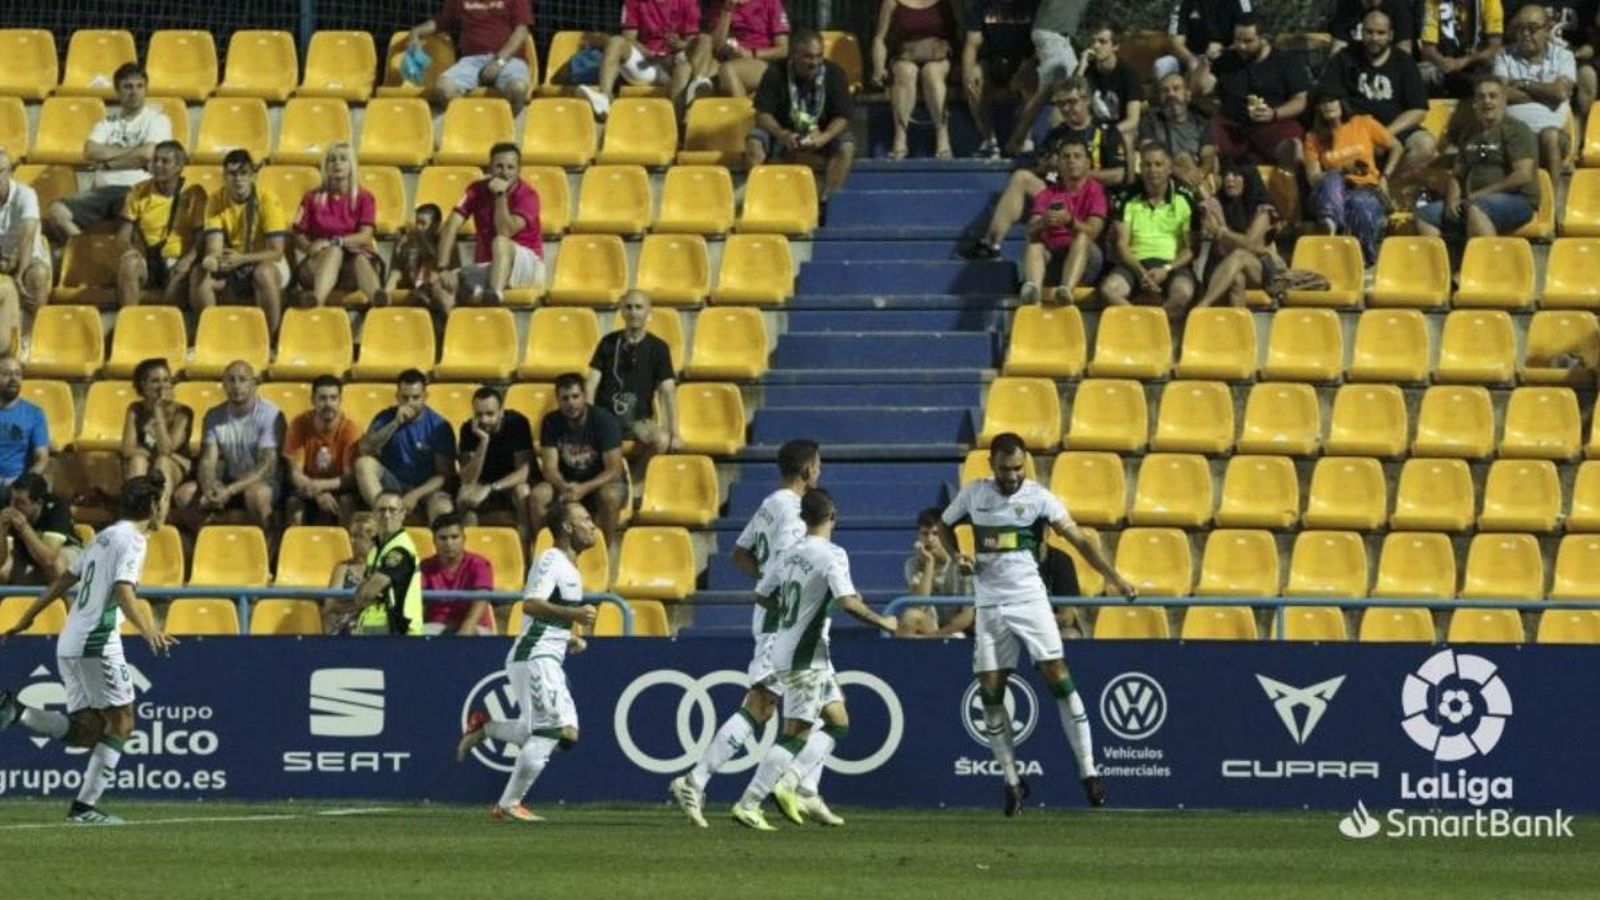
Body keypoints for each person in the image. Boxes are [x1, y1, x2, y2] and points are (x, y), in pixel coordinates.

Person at [940, 432, 1138, 816]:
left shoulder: (1040, 498)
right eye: (1004, 468)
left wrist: (1115, 578)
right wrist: (957, 556)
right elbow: (945, 525)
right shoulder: (973, 494)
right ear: (991, 465)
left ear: (1025, 464)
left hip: (1030, 600)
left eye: (1018, 468)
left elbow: (1080, 540)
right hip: (990, 604)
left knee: (1058, 677)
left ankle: (1089, 771)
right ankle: (1012, 781)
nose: (1012, 475)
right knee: (991, 694)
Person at [0, 473, 176, 825]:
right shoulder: (134, 541)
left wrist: (27, 617)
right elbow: (125, 590)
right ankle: (85, 807)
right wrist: (148, 628)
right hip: (97, 640)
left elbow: (63, 579)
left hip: (71, 639)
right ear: (154, 506)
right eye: (162, 504)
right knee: (123, 721)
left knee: (88, 730)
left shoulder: (103, 537)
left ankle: (16, 711)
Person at [670, 438, 819, 828]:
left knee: (778, 706)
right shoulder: (796, 513)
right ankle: (695, 780)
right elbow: (788, 563)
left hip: (772, 615)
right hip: (781, 619)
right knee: (762, 704)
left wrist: (765, 584)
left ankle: (797, 789)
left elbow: (740, 553)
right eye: (817, 465)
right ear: (807, 470)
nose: (819, 471)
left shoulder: (771, 503)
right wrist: (782, 593)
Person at [730, 488, 897, 830]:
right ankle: (750, 801)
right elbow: (849, 602)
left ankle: (791, 782)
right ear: (833, 516)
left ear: (803, 519)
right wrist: (884, 621)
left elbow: (762, 596)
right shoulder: (833, 554)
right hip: (805, 657)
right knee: (796, 733)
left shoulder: (789, 554)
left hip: (790, 649)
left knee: (839, 720)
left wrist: (796, 616)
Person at [455, 499, 599, 822]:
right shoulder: (550, 560)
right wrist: (574, 615)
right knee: (549, 731)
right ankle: (509, 802)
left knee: (568, 734)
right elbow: (531, 604)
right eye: (586, 519)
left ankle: (487, 728)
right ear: (567, 527)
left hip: (548, 655)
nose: (593, 526)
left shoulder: (570, 567)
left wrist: (567, 637)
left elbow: (545, 618)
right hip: (534, 658)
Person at [969, 77, 1126, 259]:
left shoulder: (1106, 132)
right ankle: (991, 243)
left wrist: (1077, 173)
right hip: (1058, 194)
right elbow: (1039, 166)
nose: (1066, 109)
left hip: (1091, 199)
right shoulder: (1056, 134)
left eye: (1072, 102)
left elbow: (1118, 175)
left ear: (1087, 100)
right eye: (1061, 104)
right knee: (1021, 177)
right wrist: (1045, 165)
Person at [44, 63, 172, 242]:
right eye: (127, 87)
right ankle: (87, 252)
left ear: (145, 89)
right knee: (57, 212)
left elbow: (148, 153)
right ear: (117, 91)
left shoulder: (157, 120)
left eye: (139, 86)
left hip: (138, 190)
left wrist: (107, 162)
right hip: (102, 192)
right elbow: (89, 152)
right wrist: (133, 157)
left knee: (138, 219)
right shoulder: (106, 123)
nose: (134, 92)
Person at [748, 31, 857, 217]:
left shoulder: (835, 73)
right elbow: (762, 113)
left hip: (820, 133)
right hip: (783, 132)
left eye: (818, 56)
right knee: (754, 140)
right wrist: (782, 134)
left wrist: (825, 136)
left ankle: (824, 201)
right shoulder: (776, 71)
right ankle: (760, 198)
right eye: (807, 57)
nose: (814, 62)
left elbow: (843, 116)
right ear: (794, 55)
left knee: (847, 145)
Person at [1417, 74, 1540, 237]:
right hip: (1473, 200)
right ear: (1474, 103)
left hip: (1517, 201)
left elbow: (1522, 175)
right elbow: (1458, 175)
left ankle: (1486, 262)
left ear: (1504, 101)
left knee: (1478, 208)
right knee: (1425, 215)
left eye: (1493, 96)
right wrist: (1453, 198)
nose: (1487, 101)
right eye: (1481, 97)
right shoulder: (1469, 132)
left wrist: (1481, 194)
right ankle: (1442, 261)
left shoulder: (1517, 130)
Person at [430, 143, 544, 315]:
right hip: (491, 266)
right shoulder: (476, 190)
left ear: (519, 170)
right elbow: (452, 224)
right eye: (499, 166)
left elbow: (504, 231)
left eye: (510, 167)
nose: (504, 172)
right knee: (440, 285)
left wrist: (500, 196)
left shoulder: (528, 195)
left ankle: (493, 300)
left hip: (527, 266)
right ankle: (457, 329)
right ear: (490, 167)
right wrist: (443, 268)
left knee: (500, 242)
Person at [1319, 11, 1437, 175]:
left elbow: (1418, 109)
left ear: (1390, 35)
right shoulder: (1343, 59)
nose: (1374, 38)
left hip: (1394, 129)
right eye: (1369, 32)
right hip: (1355, 131)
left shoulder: (1404, 61)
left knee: (1426, 145)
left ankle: (1389, 186)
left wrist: (1383, 135)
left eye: (1380, 33)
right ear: (1362, 32)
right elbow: (1331, 98)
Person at [172, 361, 282, 536]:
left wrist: (230, 490)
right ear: (223, 384)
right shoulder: (214, 416)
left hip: (263, 483)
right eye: (231, 380)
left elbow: (266, 466)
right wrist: (209, 487)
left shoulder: (270, 415)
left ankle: (265, 549)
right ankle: (210, 545)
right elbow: (207, 460)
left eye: (242, 380)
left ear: (253, 384)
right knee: (185, 495)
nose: (236, 386)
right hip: (228, 480)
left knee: (257, 495)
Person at [190, 149, 290, 335]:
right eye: (232, 174)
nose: (238, 179)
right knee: (199, 274)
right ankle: (209, 336)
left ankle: (269, 339)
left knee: (264, 273)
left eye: (243, 173)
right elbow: (214, 246)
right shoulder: (215, 200)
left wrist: (243, 259)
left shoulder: (267, 198)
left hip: (265, 260)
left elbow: (277, 252)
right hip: (235, 259)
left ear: (252, 176)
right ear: (224, 177)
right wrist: (211, 259)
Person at [1099, 143, 1200, 316]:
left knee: (1183, 293)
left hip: (1171, 264)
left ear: (1169, 169)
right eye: (1147, 165)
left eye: (1158, 164)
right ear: (1140, 168)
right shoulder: (1127, 198)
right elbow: (1122, 245)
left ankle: (1154, 326)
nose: (1152, 170)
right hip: (1135, 264)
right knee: (1109, 290)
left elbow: (1191, 249)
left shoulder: (1185, 199)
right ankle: (1143, 324)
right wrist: (1141, 273)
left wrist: (1166, 269)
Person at [1305, 91, 1403, 266]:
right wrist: (1343, 170)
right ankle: (1330, 228)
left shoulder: (1363, 123)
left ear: (1341, 103)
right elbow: (1313, 178)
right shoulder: (1313, 138)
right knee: (1333, 177)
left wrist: (1386, 177)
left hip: (1366, 189)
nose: (1328, 105)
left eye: (1332, 100)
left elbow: (1396, 146)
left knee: (1360, 203)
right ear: (1317, 109)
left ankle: (1365, 262)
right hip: (1332, 193)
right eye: (1323, 103)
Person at [1199, 16, 1311, 164]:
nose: (1241, 46)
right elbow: (1201, 89)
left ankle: (1293, 183)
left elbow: (1301, 100)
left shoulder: (1286, 61)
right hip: (1232, 125)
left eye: (1248, 41)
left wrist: (1274, 113)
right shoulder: (1227, 59)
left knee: (1293, 145)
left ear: (1264, 39)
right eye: (1237, 39)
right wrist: (1207, 61)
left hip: (1273, 123)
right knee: (1207, 142)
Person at [576, 0, 712, 119]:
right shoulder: (634, 2)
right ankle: (604, 99)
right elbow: (629, 38)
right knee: (616, 41)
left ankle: (697, 85)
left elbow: (690, 42)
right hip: (646, 64)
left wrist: (679, 45)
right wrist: (645, 51)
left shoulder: (687, 2)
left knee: (704, 41)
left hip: (673, 62)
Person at [587, 291, 681, 463]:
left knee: (662, 440)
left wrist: (675, 433)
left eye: (639, 307)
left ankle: (636, 484)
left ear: (648, 312)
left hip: (639, 421)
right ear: (622, 311)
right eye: (628, 307)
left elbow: (668, 391)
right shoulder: (607, 342)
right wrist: (588, 421)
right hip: (606, 418)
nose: (633, 312)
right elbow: (591, 383)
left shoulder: (659, 348)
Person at [354, 369, 457, 523]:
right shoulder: (385, 417)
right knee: (364, 464)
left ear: (425, 397)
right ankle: (383, 515)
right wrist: (394, 424)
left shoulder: (438, 426)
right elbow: (365, 448)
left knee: (443, 507)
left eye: (416, 398)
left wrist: (415, 495)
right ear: (397, 397)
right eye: (405, 398)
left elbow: (444, 474)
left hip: (425, 488)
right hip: (393, 484)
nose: (410, 403)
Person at [536, 374, 627, 546]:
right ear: (558, 400)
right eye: (565, 398)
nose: (571, 403)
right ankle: (544, 547)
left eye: (575, 397)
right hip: (566, 484)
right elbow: (549, 468)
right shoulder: (551, 422)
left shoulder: (604, 421)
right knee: (539, 495)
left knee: (610, 495)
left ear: (584, 396)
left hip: (601, 483)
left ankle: (606, 548)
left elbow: (614, 469)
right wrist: (564, 487)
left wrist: (584, 488)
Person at [292, 143, 386, 308]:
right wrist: (309, 247)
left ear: (351, 166)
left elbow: (365, 236)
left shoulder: (364, 198)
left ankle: (377, 298)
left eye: (343, 159)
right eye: (332, 160)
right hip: (317, 264)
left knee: (358, 259)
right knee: (333, 252)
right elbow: (298, 233)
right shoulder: (311, 197)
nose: (337, 164)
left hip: (351, 264)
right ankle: (317, 299)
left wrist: (335, 242)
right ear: (325, 166)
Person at [114, 140, 205, 309]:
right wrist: (131, 252)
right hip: (148, 258)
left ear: (179, 166)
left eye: (165, 161)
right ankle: (129, 323)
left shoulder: (193, 194)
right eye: (155, 160)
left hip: (177, 260)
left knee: (183, 274)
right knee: (129, 264)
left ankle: (165, 327)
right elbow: (122, 236)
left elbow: (202, 238)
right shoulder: (138, 191)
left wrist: (188, 260)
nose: (157, 165)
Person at [1494, 3, 1576, 184]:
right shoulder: (1504, 56)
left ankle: (1555, 203)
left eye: (1532, 29)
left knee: (1550, 135)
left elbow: (1560, 92)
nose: (1525, 34)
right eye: (1520, 29)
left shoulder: (1563, 56)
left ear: (1547, 31)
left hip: (1552, 138)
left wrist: (1523, 84)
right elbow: (1499, 94)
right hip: (1513, 135)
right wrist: (1546, 92)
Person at [406, 0, 535, 113]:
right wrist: (415, 32)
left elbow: (521, 31)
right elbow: (442, 21)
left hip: (508, 59)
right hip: (471, 60)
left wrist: (499, 62)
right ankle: (469, 127)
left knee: (517, 89)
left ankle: (506, 130)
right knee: (444, 90)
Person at [1019, 141, 1108, 304]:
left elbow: (1094, 231)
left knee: (1082, 237)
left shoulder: (1096, 191)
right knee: (1035, 241)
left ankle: (1066, 291)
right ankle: (1033, 291)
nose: (1071, 161)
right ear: (1058, 163)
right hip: (1053, 260)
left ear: (1088, 163)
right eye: (1066, 157)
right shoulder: (1047, 193)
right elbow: (1030, 229)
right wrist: (1044, 222)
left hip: (1085, 261)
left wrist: (1070, 222)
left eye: (1077, 156)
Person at [871, 0, 961, 159]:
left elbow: (959, 32)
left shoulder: (946, 3)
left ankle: (942, 135)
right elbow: (880, 38)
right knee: (905, 72)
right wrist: (879, 68)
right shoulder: (892, 3)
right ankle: (900, 136)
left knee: (932, 73)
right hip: (905, 56)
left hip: (937, 57)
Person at [1194, 163, 1287, 308]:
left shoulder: (1262, 209)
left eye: (1236, 175)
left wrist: (1221, 232)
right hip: (1221, 263)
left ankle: (1202, 306)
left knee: (1239, 255)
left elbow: (1249, 245)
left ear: (1248, 178)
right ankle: (1240, 327)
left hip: (1258, 267)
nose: (1229, 179)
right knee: (1236, 279)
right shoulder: (1216, 204)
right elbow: (1220, 246)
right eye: (1226, 175)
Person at [960, 0, 1040, 159]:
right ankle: (989, 140)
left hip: (1024, 61)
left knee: (1031, 75)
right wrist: (968, 75)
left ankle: (1025, 138)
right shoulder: (981, 6)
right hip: (992, 61)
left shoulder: (1034, 6)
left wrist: (1027, 66)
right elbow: (971, 45)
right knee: (973, 77)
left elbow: (1040, 45)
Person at [338, 491, 424, 635]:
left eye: (393, 510)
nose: (387, 515)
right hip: (375, 629)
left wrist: (365, 592)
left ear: (403, 514)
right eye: (382, 510)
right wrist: (365, 592)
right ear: (374, 514)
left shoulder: (401, 549)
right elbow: (364, 591)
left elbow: (366, 593)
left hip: (401, 632)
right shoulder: (375, 549)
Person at [457, 386, 536, 536]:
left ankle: (524, 553)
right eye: (479, 414)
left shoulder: (517, 423)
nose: (484, 420)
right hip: (482, 484)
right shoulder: (468, 429)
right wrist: (484, 442)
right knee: (464, 495)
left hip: (510, 484)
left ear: (501, 412)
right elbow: (467, 479)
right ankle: (471, 550)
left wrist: (491, 488)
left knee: (522, 491)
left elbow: (523, 472)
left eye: (490, 414)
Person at [283, 375, 362, 526]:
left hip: (338, 487)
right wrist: (317, 493)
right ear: (313, 400)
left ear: (340, 400)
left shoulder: (351, 428)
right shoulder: (299, 424)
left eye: (333, 398)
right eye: (323, 398)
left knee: (347, 503)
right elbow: (295, 473)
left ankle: (345, 548)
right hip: (307, 487)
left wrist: (320, 487)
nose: (328, 404)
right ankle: (294, 548)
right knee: (294, 506)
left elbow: (349, 478)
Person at [120, 358, 193, 506]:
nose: (162, 386)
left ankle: (157, 518)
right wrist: (152, 455)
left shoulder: (183, 413)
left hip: (176, 467)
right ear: (143, 384)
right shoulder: (135, 409)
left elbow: (166, 449)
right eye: (155, 381)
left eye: (166, 380)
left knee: (162, 462)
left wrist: (157, 411)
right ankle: (137, 515)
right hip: (148, 463)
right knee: (137, 461)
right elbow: (127, 449)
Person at [0, 150, 53, 347]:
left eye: (0, 171)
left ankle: (29, 340)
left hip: (29, 258)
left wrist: (20, 271)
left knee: (37, 275)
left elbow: (28, 233)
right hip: (2, 259)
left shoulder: (25, 194)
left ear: (10, 172)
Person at [896, 507, 974, 638]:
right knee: (910, 617)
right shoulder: (913, 565)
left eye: (936, 533)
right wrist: (929, 563)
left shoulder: (961, 564)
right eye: (925, 534)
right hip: (929, 626)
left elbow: (967, 617)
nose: (930, 539)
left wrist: (934, 637)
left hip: (958, 632)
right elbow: (919, 605)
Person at [1138, 73, 1220, 191]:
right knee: (1182, 157)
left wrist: (1199, 175)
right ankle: (1209, 204)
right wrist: (1176, 170)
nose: (1171, 94)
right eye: (1165, 91)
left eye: (1176, 89)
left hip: (1197, 176)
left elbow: (1208, 157)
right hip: (1164, 176)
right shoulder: (1151, 120)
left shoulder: (1200, 122)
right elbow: (1147, 152)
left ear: (1187, 94)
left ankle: (1204, 200)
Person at [420, 512, 496, 636]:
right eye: (443, 538)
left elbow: (482, 598)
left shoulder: (480, 563)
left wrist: (467, 627)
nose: (449, 544)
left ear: (464, 539)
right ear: (434, 540)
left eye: (454, 537)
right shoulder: (425, 566)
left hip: (475, 626)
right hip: (435, 626)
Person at [0, 473, 82, 586]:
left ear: (38, 503)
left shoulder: (57, 508)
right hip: (25, 555)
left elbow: (49, 559)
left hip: (64, 551)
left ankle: (71, 603)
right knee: (2, 571)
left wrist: (24, 528)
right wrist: (2, 531)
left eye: (21, 502)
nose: (13, 506)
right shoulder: (6, 506)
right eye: (12, 500)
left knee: (55, 566)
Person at [1420, 0, 1506, 97]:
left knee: (1497, 64)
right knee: (1422, 73)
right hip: (1444, 64)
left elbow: (1494, 47)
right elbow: (1427, 48)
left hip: (1478, 63)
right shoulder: (1433, 2)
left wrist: (1463, 62)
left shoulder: (1490, 1)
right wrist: (1442, 61)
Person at [710, 0, 792, 98]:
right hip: (733, 57)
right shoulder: (722, 6)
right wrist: (727, 11)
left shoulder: (770, 2)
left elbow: (783, 50)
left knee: (727, 70)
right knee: (707, 77)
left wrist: (750, 54)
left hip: (762, 61)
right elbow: (717, 47)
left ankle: (741, 112)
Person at [1080, 26, 1145, 144]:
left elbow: (1133, 120)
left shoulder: (1128, 72)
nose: (1095, 46)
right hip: (1090, 130)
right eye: (1093, 41)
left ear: (1115, 46)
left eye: (1102, 42)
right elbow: (1071, 100)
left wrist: (1106, 134)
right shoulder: (1087, 69)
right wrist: (1081, 68)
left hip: (1120, 129)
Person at [0, 355, 51, 492]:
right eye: (6, 374)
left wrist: (25, 483)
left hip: (18, 483)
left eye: (17, 374)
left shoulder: (34, 413)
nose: (13, 379)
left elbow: (42, 457)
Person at [325, 512, 378, 636]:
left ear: (373, 538)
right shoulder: (343, 568)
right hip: (347, 626)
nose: (351, 540)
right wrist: (363, 603)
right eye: (351, 536)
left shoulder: (384, 567)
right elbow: (330, 606)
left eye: (358, 536)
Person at [1331, 0, 1422, 55]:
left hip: (1390, 71)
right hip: (1355, 68)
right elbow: (1338, 48)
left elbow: (1404, 52)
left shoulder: (1398, 7)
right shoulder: (1347, 6)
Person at [391, 204, 442, 296]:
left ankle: (422, 289)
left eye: (423, 223)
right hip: (411, 281)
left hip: (432, 283)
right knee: (396, 270)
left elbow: (436, 261)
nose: (418, 227)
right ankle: (385, 294)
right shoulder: (412, 239)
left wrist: (422, 241)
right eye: (417, 222)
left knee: (428, 262)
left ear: (435, 225)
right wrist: (398, 248)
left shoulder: (443, 241)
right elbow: (401, 267)